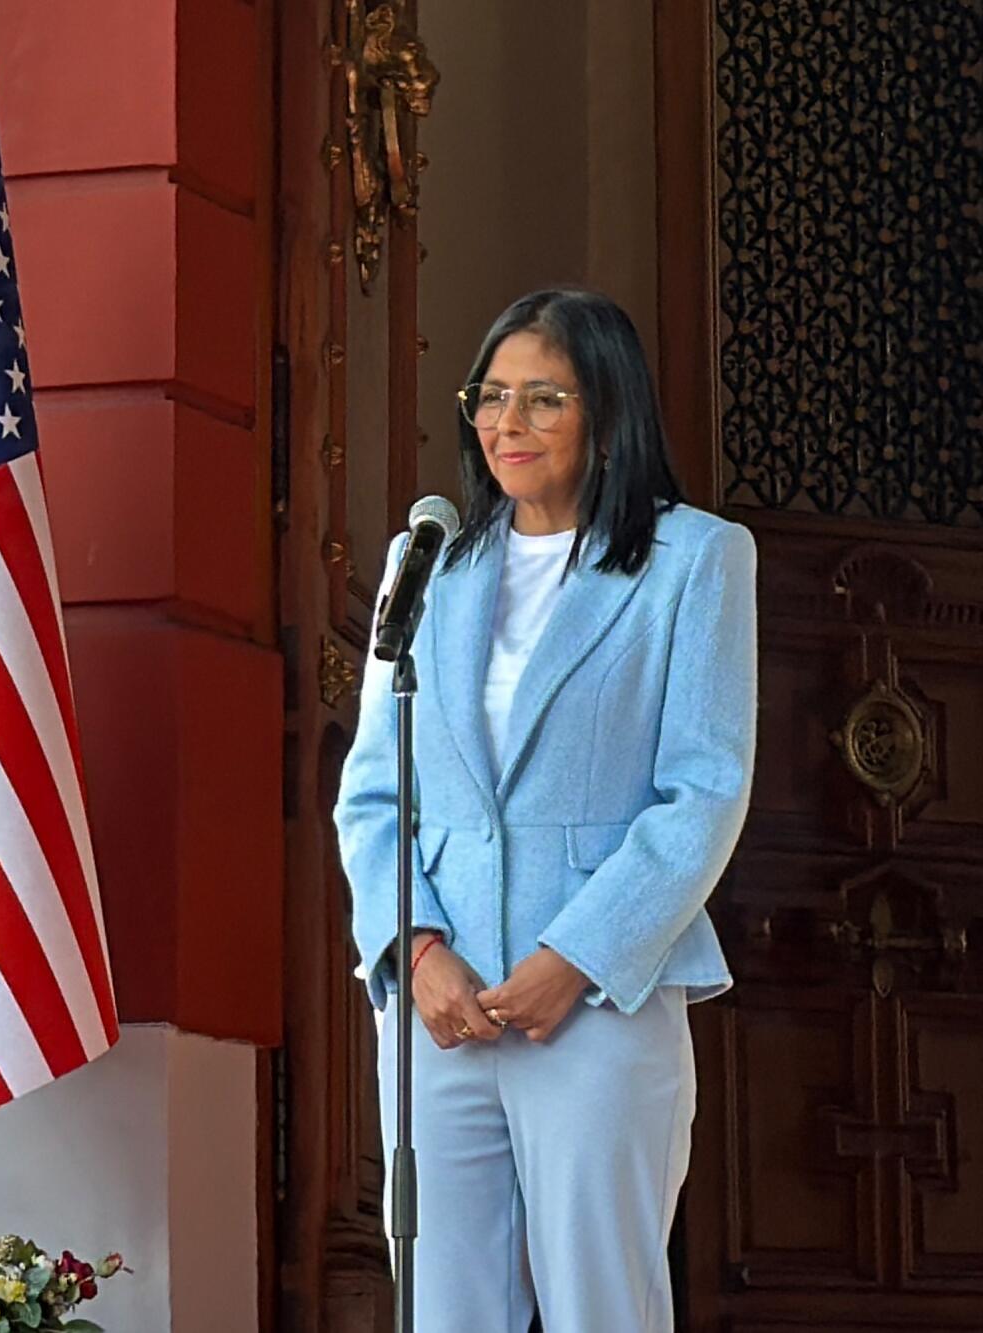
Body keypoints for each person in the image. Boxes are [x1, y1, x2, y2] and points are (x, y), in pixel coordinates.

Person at [334, 288, 756, 1332]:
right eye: (489, 396)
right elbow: (375, 789)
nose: (503, 424)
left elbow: (700, 789)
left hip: (595, 997)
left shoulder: (693, 559)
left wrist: (574, 955)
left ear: (606, 415)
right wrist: (414, 949)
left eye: (540, 399)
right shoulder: (426, 564)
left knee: (598, 1304)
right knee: (443, 1304)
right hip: (441, 1006)